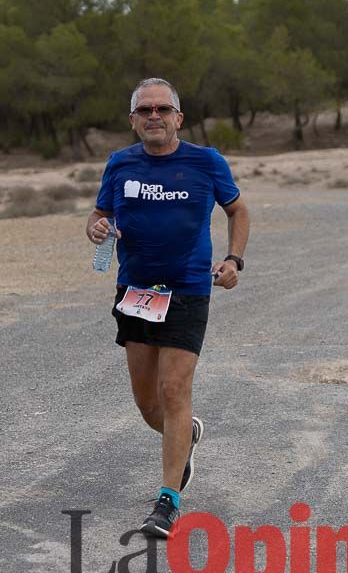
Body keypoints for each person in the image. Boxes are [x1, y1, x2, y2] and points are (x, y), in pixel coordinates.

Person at [86, 77, 250, 539]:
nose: (153, 116)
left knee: (174, 391)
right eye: (144, 110)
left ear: (179, 117)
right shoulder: (120, 164)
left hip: (188, 290)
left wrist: (234, 259)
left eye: (162, 109)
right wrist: (97, 229)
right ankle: (187, 435)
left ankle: (167, 500)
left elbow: (238, 210)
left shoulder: (205, 162)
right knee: (149, 404)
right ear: (133, 120)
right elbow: (99, 216)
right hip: (136, 292)